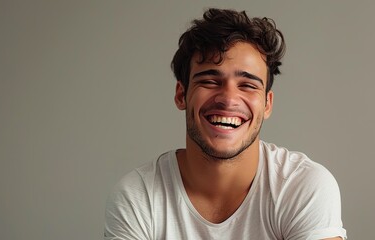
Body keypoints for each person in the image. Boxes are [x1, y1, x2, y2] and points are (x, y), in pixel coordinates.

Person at [104, 8, 347, 240]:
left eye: (248, 85)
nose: (228, 98)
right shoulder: (137, 195)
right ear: (181, 95)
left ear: (267, 104)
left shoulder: (301, 186)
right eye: (210, 81)